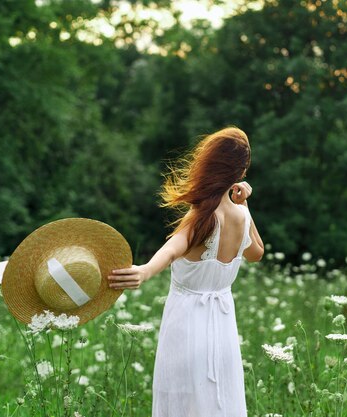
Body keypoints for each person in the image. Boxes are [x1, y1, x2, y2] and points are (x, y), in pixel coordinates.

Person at [107, 126, 264, 416]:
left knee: (181, 401)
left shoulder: (203, 216)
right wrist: (245, 205)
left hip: (186, 325)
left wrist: (144, 271)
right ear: (240, 173)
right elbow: (257, 252)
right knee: (219, 403)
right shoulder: (241, 216)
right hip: (223, 328)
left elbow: (172, 249)